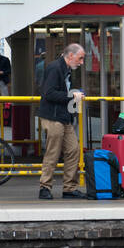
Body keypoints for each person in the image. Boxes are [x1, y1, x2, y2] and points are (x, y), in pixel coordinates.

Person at [39, 43, 86, 200]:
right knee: (53, 152)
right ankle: (44, 187)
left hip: (63, 116)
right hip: (52, 117)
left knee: (73, 150)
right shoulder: (55, 68)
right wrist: (73, 97)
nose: (81, 62)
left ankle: (69, 188)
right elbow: (49, 93)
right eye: (80, 58)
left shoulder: (66, 69)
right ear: (70, 55)